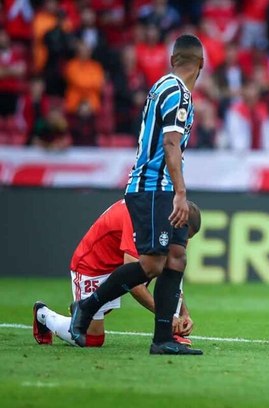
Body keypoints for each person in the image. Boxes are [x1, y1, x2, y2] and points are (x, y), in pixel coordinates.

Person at [68, 34, 204, 355]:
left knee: (176, 257)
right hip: (155, 187)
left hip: (162, 186)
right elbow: (171, 143)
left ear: (173, 60)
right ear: (201, 64)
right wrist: (180, 192)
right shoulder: (177, 92)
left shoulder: (161, 86)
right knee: (152, 264)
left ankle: (162, 339)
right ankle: (88, 306)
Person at [32, 199, 201, 348]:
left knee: (165, 262)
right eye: (185, 237)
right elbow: (134, 284)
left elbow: (171, 275)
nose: (184, 242)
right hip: (93, 266)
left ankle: (171, 333)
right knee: (91, 339)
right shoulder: (140, 214)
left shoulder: (161, 213)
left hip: (119, 265)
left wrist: (182, 314)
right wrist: (166, 316)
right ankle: (43, 315)